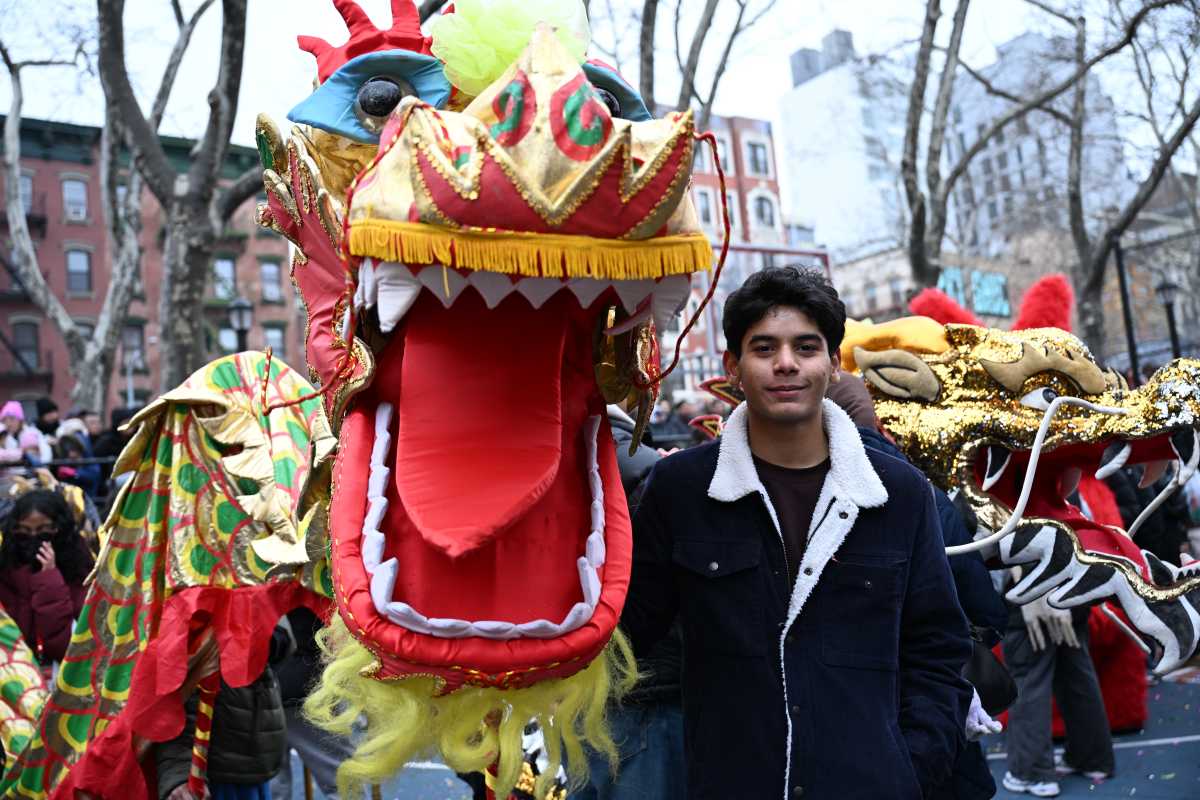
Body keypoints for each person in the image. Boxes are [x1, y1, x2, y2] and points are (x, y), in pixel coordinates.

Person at [621, 266, 972, 799]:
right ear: (733, 367)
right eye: (764, 348)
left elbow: (938, 646)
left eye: (806, 348)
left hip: (871, 784)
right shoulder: (681, 489)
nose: (786, 364)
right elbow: (628, 633)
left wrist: (913, 766)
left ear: (833, 364)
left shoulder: (897, 492)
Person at [1001, 575, 1114, 796]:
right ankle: (1091, 758)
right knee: (1076, 672)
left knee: (1029, 679)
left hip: (1029, 594)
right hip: (1070, 585)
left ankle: (1032, 772)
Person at [0, 488, 93, 666]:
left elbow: (64, 644)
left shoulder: (78, 562)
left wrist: (49, 578)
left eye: (43, 531)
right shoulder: (7, 564)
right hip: (16, 672)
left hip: (60, 671)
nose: (33, 538)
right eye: (24, 531)